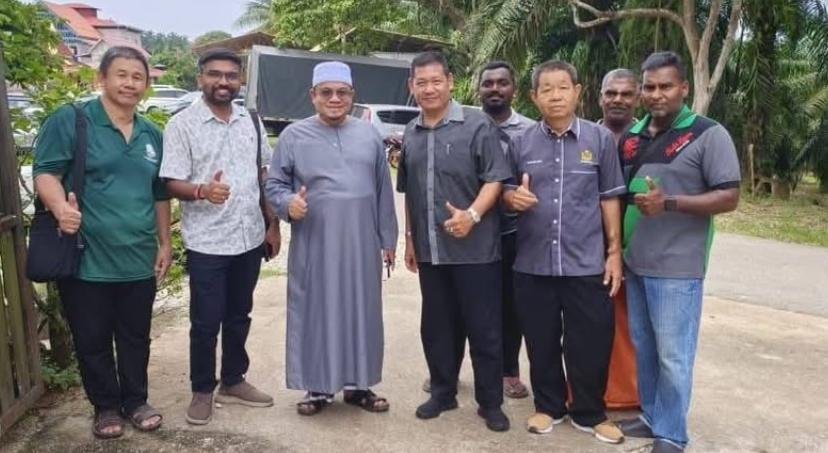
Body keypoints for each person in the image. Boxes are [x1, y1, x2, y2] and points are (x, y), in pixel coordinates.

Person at [33, 46, 170, 439]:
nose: (130, 83)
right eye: (121, 74)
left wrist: (164, 242)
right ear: (102, 79)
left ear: (146, 85)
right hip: (86, 257)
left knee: (135, 337)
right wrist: (61, 208)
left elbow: (159, 193)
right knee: (92, 339)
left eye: (138, 77)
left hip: (137, 257)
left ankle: (136, 400)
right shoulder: (73, 121)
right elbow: (45, 172)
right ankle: (106, 406)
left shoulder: (151, 134)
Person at [616, 51, 740, 453]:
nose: (657, 94)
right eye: (649, 87)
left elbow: (729, 196)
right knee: (646, 348)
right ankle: (653, 416)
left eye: (666, 86)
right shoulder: (633, 137)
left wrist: (669, 203)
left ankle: (671, 434)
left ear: (683, 88)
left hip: (678, 267)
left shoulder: (708, 134)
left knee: (673, 355)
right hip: (637, 261)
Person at [502, 60, 626, 444]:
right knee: (540, 341)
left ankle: (591, 413)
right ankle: (548, 407)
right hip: (533, 262)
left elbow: (610, 197)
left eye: (562, 87)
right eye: (546, 89)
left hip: (586, 262)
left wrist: (614, 252)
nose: (555, 96)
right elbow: (504, 190)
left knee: (590, 342)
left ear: (577, 92)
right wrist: (512, 198)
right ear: (534, 96)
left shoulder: (599, 140)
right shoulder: (520, 142)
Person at [265, 61, 398, 416]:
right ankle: (317, 388)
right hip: (316, 243)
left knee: (362, 311)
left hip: (361, 243)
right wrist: (288, 204)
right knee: (316, 311)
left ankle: (359, 385)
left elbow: (383, 191)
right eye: (326, 92)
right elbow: (274, 184)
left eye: (342, 92)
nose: (335, 99)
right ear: (313, 95)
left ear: (353, 95)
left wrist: (388, 239)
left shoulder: (369, 135)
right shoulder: (293, 136)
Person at [160, 48, 280, 425]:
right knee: (206, 321)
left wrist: (272, 224)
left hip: (249, 237)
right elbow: (170, 181)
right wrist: (201, 191)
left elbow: (264, 175)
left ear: (240, 80)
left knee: (239, 314)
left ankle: (233, 379)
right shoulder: (182, 125)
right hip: (208, 241)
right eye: (215, 74)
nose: (223, 82)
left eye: (231, 75)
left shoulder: (251, 120)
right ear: (201, 79)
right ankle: (201, 389)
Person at [398, 51, 512, 432]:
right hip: (431, 251)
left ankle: (490, 403)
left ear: (450, 82)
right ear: (412, 86)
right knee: (437, 327)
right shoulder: (411, 133)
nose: (429, 89)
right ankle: (443, 392)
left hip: (476, 251)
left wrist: (473, 215)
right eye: (421, 83)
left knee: (484, 330)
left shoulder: (478, 125)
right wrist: (410, 240)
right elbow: (410, 193)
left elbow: (495, 179)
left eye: (436, 81)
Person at [478, 60, 534, 399]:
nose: (495, 89)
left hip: (515, 234)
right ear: (478, 89)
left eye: (502, 82)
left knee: (512, 306)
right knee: (468, 304)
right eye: (488, 83)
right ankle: (449, 371)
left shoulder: (531, 131)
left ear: (514, 88)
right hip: (473, 231)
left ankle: (509, 371)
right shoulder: (466, 126)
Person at [597, 68, 641, 411]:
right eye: (611, 93)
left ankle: (627, 396)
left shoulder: (649, 139)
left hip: (637, 248)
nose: (618, 100)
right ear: (600, 97)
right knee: (590, 324)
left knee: (629, 325)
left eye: (626, 94)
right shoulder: (586, 136)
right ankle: (586, 391)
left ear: (637, 98)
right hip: (587, 247)